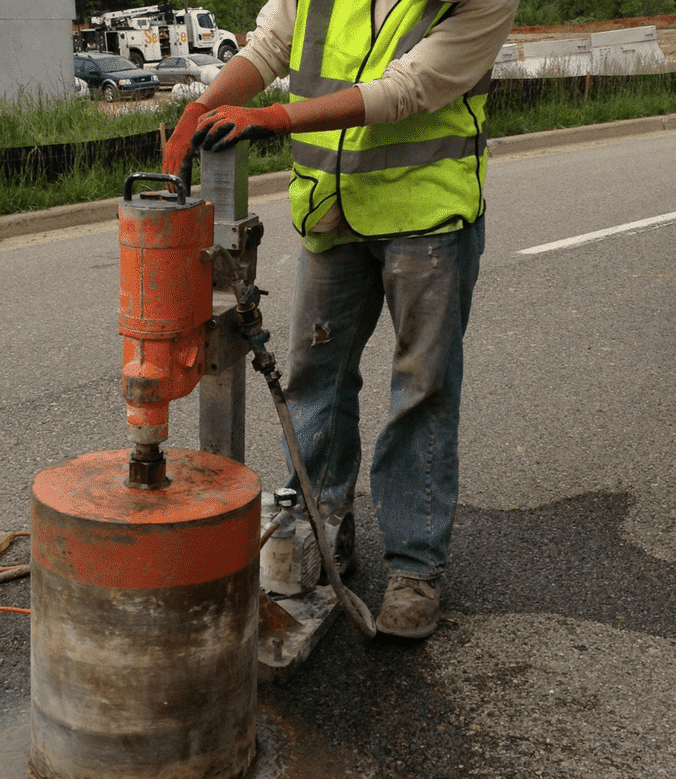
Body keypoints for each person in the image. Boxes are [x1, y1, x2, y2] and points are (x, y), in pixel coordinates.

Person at [163, 0, 518, 639]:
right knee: (314, 379)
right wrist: (204, 106)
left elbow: (408, 87)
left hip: (426, 214)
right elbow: (270, 44)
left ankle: (414, 568)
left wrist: (272, 118)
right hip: (332, 208)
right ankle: (320, 531)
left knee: (422, 390)